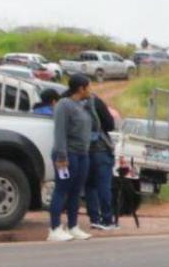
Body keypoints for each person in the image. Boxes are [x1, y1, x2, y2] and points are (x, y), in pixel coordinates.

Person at [47, 74, 96, 242]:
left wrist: (91, 105)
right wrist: (62, 156)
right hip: (67, 154)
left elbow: (96, 125)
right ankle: (54, 228)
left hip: (82, 154)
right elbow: (59, 132)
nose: (91, 90)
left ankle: (73, 226)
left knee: (76, 191)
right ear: (81, 88)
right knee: (62, 189)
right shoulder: (64, 105)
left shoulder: (83, 106)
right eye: (89, 86)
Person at [85, 91, 117, 230]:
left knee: (89, 186)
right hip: (101, 148)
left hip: (83, 149)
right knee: (104, 186)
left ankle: (94, 218)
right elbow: (110, 125)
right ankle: (107, 219)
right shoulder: (96, 102)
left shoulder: (72, 103)